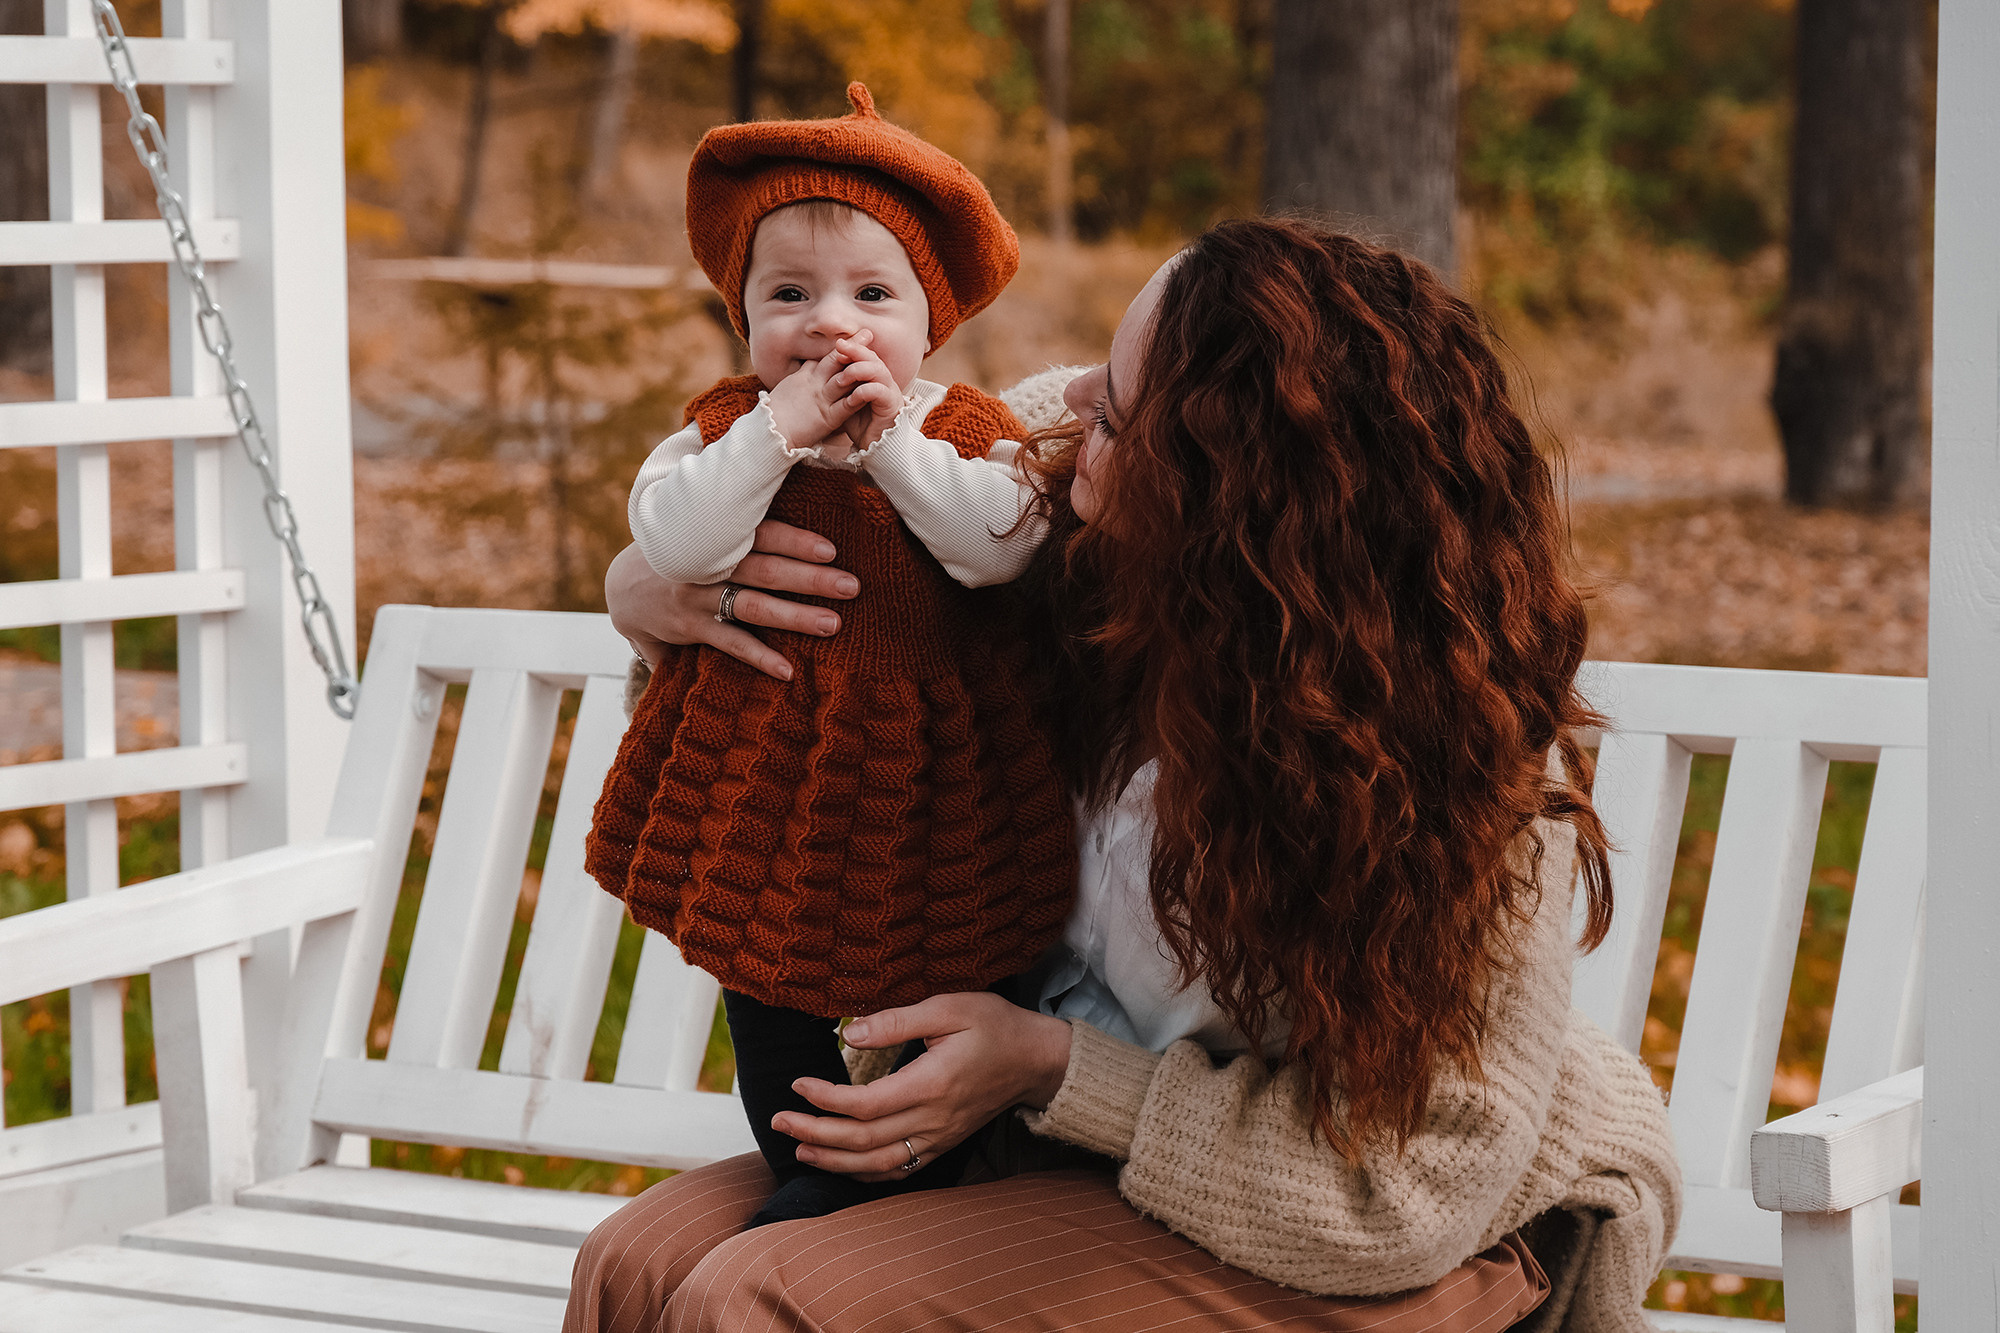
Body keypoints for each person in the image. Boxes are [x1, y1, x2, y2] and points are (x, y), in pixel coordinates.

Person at [567, 218, 1682, 1333]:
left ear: (1236, 500)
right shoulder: (1050, 496)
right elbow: (810, 704)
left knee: (761, 1303)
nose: (1066, 407)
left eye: (1114, 409)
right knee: (633, 1267)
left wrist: (1053, 1070)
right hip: (1047, 1140)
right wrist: (657, 595)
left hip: (1380, 1224)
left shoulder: (1446, 770)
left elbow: (1398, 1199)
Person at [583, 85, 1078, 1230]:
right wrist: (776, 434)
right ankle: (803, 1154)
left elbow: (997, 548)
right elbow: (676, 541)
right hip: (772, 792)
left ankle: (911, 1165)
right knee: (771, 982)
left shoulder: (963, 429)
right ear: (743, 313)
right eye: (789, 295)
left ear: (928, 316)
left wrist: (890, 444)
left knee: (947, 963)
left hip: (937, 794)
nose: (830, 326)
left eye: (871, 294)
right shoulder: (722, 429)